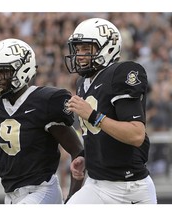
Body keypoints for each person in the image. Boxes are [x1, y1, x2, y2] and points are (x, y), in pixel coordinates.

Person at [0, 38, 83, 204]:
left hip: (41, 190)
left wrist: (73, 198)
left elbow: (78, 151)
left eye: (3, 71)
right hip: (10, 195)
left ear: (23, 70)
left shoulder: (45, 101)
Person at [64, 17, 157, 204]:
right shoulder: (82, 82)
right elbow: (98, 135)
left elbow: (136, 134)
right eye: (78, 49)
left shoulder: (122, 73)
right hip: (96, 183)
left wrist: (92, 115)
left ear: (107, 48)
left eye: (86, 49)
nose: (80, 55)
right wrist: (86, 158)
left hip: (129, 189)